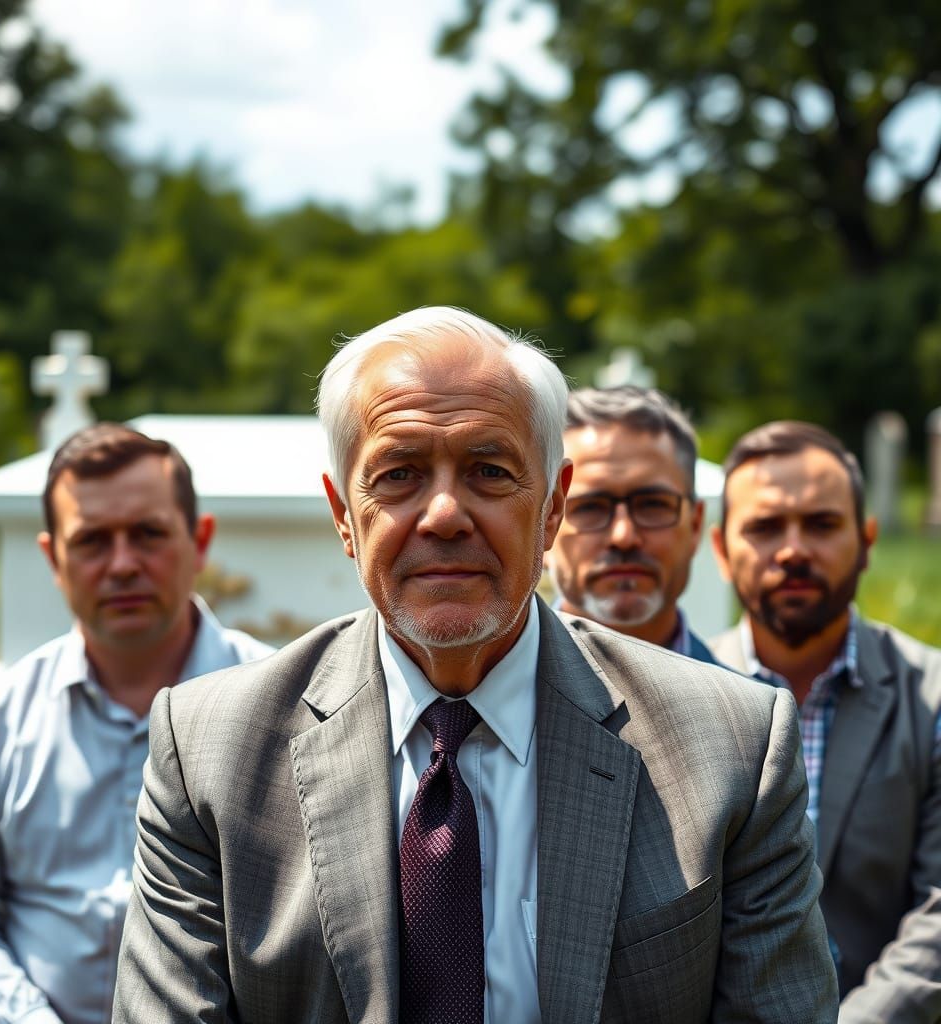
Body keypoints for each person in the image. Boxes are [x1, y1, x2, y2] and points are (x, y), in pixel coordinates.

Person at [113, 307, 837, 1023]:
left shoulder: (731, 748)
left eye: (489, 471)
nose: (444, 515)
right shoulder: (211, 751)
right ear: (343, 515)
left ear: (552, 508)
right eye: (398, 474)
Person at [0, 423, 274, 1024]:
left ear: (201, 539)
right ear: (52, 558)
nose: (123, 565)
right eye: (92, 541)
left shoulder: (284, 712)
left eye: (148, 534)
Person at [710, 420, 941, 1022]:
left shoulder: (933, 697)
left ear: (866, 541)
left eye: (821, 524)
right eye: (763, 527)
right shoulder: (676, 695)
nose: (792, 550)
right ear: (719, 549)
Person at [546, 386, 717, 662]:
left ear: (695, 526)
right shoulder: (477, 701)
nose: (623, 536)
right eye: (590, 507)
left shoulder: (754, 705)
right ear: (544, 524)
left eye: (653, 505)